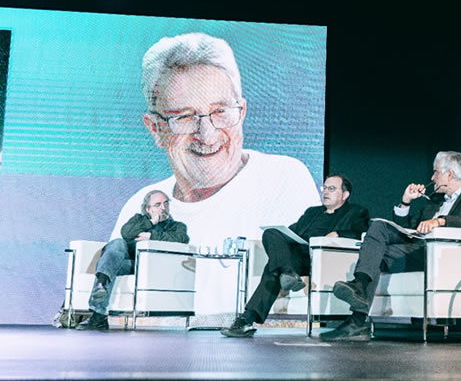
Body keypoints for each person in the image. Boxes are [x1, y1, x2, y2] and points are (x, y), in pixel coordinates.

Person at [109, 33, 321, 315]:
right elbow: (117, 310)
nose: (207, 135)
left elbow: (309, 301)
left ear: (242, 112)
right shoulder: (142, 204)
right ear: (155, 128)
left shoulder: (284, 179)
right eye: (184, 117)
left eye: (220, 111)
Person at [320, 151, 461, 341]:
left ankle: (357, 318)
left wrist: (440, 222)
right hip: (416, 249)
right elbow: (406, 228)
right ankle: (359, 303)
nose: (432, 177)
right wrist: (406, 201)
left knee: (376, 253)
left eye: (435, 173)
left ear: (449, 175)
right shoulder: (435, 203)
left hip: (442, 255)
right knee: (377, 231)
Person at [221, 174, 369, 337]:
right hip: (299, 255)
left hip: (324, 258)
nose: (326, 192)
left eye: (331, 189)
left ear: (345, 194)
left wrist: (339, 233)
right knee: (272, 233)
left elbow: (360, 233)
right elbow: (293, 231)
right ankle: (287, 272)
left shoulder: (356, 211)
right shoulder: (312, 212)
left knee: (274, 267)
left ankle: (247, 319)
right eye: (324, 188)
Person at [76, 190, 188, 330]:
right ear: (148, 209)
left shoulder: (177, 226)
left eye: (165, 203)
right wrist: (151, 222)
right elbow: (126, 233)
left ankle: (98, 313)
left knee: (109, 263)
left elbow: (181, 239)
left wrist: (150, 236)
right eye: (158, 205)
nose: (163, 208)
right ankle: (102, 285)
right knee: (117, 243)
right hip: (124, 264)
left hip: (145, 265)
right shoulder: (139, 220)